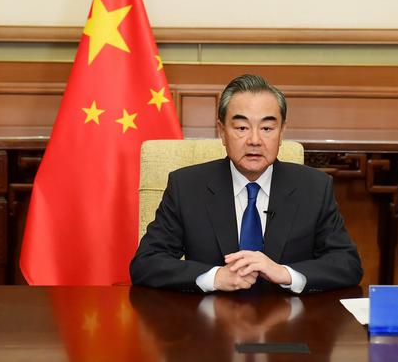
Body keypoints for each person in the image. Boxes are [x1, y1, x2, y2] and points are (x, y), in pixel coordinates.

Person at [130, 74, 363, 293]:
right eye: (242, 128)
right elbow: (146, 263)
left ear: (282, 132)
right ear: (222, 131)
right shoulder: (186, 186)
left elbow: (347, 264)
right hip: (208, 326)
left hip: (288, 325)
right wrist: (215, 277)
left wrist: (285, 273)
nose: (254, 140)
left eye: (267, 128)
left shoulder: (314, 187)